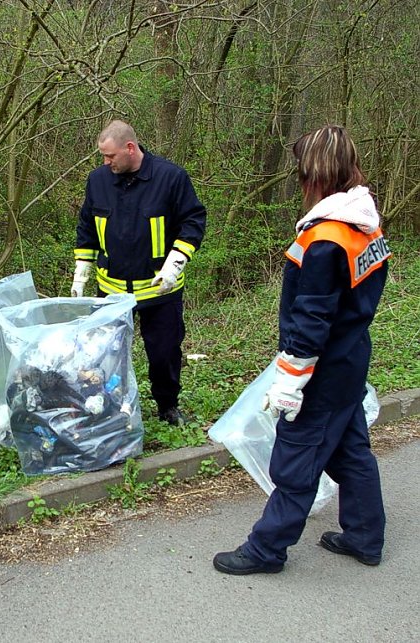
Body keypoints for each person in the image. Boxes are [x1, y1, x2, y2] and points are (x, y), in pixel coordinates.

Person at [213, 125, 391, 575]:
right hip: (350, 357)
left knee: (296, 460)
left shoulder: (327, 238)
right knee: (350, 449)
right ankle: (365, 536)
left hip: (322, 371)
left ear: (314, 175)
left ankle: (266, 549)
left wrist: (290, 382)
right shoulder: (364, 223)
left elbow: (312, 319)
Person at [72, 120, 206, 426]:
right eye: (103, 156)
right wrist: (82, 272)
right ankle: (106, 406)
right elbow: (87, 226)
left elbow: (193, 221)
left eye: (110, 156)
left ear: (130, 148)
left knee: (164, 353)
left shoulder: (170, 178)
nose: (106, 162)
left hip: (160, 290)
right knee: (105, 354)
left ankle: (167, 406)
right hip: (111, 291)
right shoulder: (98, 181)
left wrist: (175, 264)